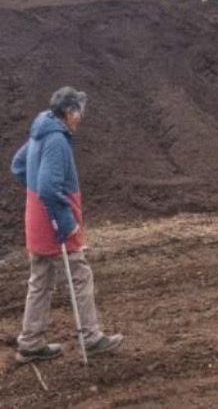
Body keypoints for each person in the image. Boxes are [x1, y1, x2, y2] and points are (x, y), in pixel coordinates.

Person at [10, 87, 123, 364]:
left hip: (36, 219)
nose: (80, 119)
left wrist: (35, 193)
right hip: (54, 224)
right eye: (79, 113)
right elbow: (49, 187)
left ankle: (31, 342)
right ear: (70, 113)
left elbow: (18, 165)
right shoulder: (57, 140)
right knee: (80, 275)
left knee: (40, 280)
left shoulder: (40, 131)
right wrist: (65, 222)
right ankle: (91, 337)